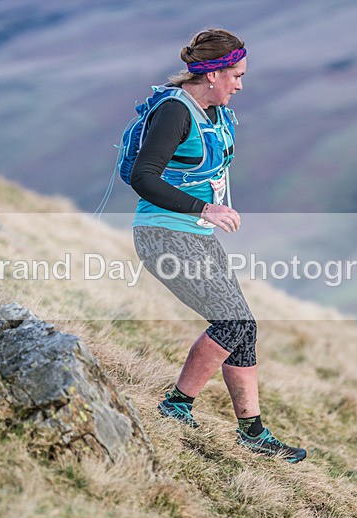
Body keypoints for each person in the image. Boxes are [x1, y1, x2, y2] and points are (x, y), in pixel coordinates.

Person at [130, 28, 306, 463]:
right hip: (164, 235)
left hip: (195, 236)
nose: (240, 85)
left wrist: (209, 213)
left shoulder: (214, 112)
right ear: (211, 74)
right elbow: (143, 176)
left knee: (243, 328)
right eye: (236, 75)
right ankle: (176, 406)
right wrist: (203, 209)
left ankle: (252, 432)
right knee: (233, 325)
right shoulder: (176, 112)